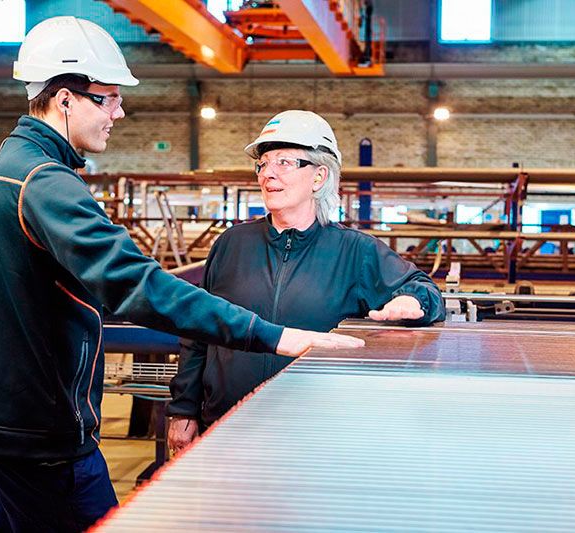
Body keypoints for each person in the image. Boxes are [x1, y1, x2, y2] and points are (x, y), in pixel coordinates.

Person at [0, 18, 362, 532]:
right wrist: (274, 335)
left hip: (6, 425)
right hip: (41, 435)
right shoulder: (45, 183)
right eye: (108, 98)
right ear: (65, 99)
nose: (119, 111)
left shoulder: (8, 167)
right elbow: (138, 284)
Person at [167, 110, 445, 453]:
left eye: (284, 162)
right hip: (226, 428)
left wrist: (412, 301)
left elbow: (425, 289)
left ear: (318, 176)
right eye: (263, 163)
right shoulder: (231, 244)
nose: (267, 174)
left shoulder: (354, 250)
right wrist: (183, 410)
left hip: (313, 434)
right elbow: (199, 332)